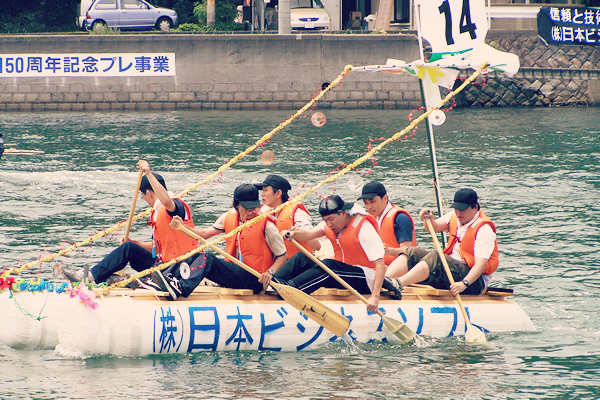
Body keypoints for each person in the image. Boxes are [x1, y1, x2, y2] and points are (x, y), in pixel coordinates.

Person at [61, 161, 197, 285]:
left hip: (180, 268)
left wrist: (148, 174)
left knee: (128, 248)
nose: (145, 201)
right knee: (130, 248)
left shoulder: (175, 206)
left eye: (143, 196)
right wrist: (136, 243)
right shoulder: (157, 213)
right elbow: (158, 246)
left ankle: (90, 277)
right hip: (163, 265)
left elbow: (167, 201)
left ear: (149, 193)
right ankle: (103, 278)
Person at [155, 183, 288, 300]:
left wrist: (270, 272)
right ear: (235, 204)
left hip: (254, 280)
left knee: (209, 259)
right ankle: (164, 278)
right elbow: (204, 235)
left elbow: (283, 255)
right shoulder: (227, 218)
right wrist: (182, 228)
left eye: (253, 207)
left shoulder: (266, 225)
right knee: (194, 255)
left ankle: (182, 288)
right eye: (246, 207)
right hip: (235, 274)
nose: (251, 210)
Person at [273, 195, 403, 313]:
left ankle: (291, 289)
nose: (329, 224)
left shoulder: (364, 228)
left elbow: (380, 264)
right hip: (344, 273)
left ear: (343, 213)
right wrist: (293, 234)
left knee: (328, 266)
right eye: (325, 220)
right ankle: (275, 283)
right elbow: (308, 235)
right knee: (302, 258)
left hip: (367, 279)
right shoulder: (329, 224)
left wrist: (375, 297)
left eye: (331, 219)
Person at [385, 188, 499, 296]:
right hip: (453, 270)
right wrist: (428, 218)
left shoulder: (484, 230)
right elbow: (433, 227)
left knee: (436, 257)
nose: (459, 213)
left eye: (463, 209)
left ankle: (398, 283)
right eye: (456, 208)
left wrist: (464, 284)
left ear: (475, 208)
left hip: (474, 281)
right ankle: (384, 281)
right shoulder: (454, 216)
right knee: (412, 252)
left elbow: (480, 264)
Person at [255, 174, 320, 257]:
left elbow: (316, 246)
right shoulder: (264, 211)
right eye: (262, 191)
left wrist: (298, 234)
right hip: (276, 264)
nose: (262, 194)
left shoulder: (297, 213)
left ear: (278, 193)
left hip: (296, 265)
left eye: (266, 190)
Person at [358, 181, 416, 266]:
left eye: (372, 201)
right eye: (365, 203)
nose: (368, 207)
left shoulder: (400, 218)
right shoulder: (373, 218)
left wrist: (388, 251)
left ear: (385, 199)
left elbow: (409, 251)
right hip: (381, 268)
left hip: (401, 271)